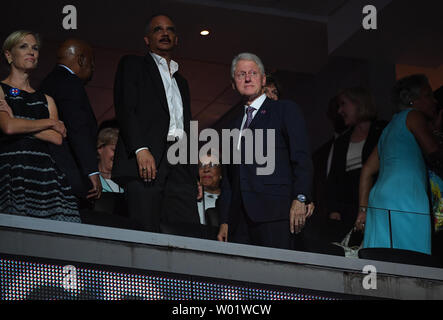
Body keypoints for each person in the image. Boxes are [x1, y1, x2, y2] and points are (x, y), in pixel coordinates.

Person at [111, 14, 200, 233]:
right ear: (146, 39)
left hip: (180, 162)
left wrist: (193, 173)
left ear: (176, 39)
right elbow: (126, 109)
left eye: (170, 29)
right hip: (147, 159)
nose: (165, 33)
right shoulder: (133, 65)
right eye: (158, 29)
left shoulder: (182, 81)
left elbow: (185, 126)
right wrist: (140, 149)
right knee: (146, 230)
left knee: (187, 231)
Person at [217, 52, 314, 250]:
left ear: (262, 79)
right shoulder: (232, 126)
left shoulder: (284, 110)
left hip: (276, 214)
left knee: (277, 277)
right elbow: (229, 179)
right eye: (240, 74)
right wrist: (225, 220)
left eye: (253, 73)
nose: (247, 78)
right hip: (239, 222)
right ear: (233, 84)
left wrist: (301, 197)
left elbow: (301, 157)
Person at [355, 74, 443, 255]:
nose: (434, 101)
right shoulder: (414, 116)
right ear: (412, 100)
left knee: (381, 260)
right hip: (406, 197)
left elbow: (367, 170)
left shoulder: (391, 126)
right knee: (411, 261)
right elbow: (434, 152)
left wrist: (362, 210)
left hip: (379, 200)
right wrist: (437, 132)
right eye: (428, 95)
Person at [0, 30, 80, 222]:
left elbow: (56, 137)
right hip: (12, 171)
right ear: (9, 55)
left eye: (35, 48)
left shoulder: (46, 99)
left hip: (44, 176)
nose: (31, 52)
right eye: (23, 46)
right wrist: (50, 123)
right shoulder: (1, 90)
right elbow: (8, 128)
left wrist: (20, 122)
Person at [40, 38, 101, 212]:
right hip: (68, 175)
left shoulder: (47, 82)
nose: (93, 67)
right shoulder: (70, 82)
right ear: (81, 60)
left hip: (49, 172)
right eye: (92, 62)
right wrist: (91, 171)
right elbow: (78, 128)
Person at [325, 87, 386, 243]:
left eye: (343, 104)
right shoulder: (341, 142)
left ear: (359, 103)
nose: (340, 110)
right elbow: (333, 180)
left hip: (379, 209)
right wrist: (334, 210)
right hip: (348, 213)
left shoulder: (383, 132)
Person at [198, 152, 222, 226]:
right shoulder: (190, 198)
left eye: (212, 165)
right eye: (202, 165)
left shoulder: (229, 201)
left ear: (221, 172)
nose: (206, 169)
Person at [97, 127, 123, 193]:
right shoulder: (90, 180)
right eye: (114, 150)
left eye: (121, 152)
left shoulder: (126, 182)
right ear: (100, 148)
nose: (118, 156)